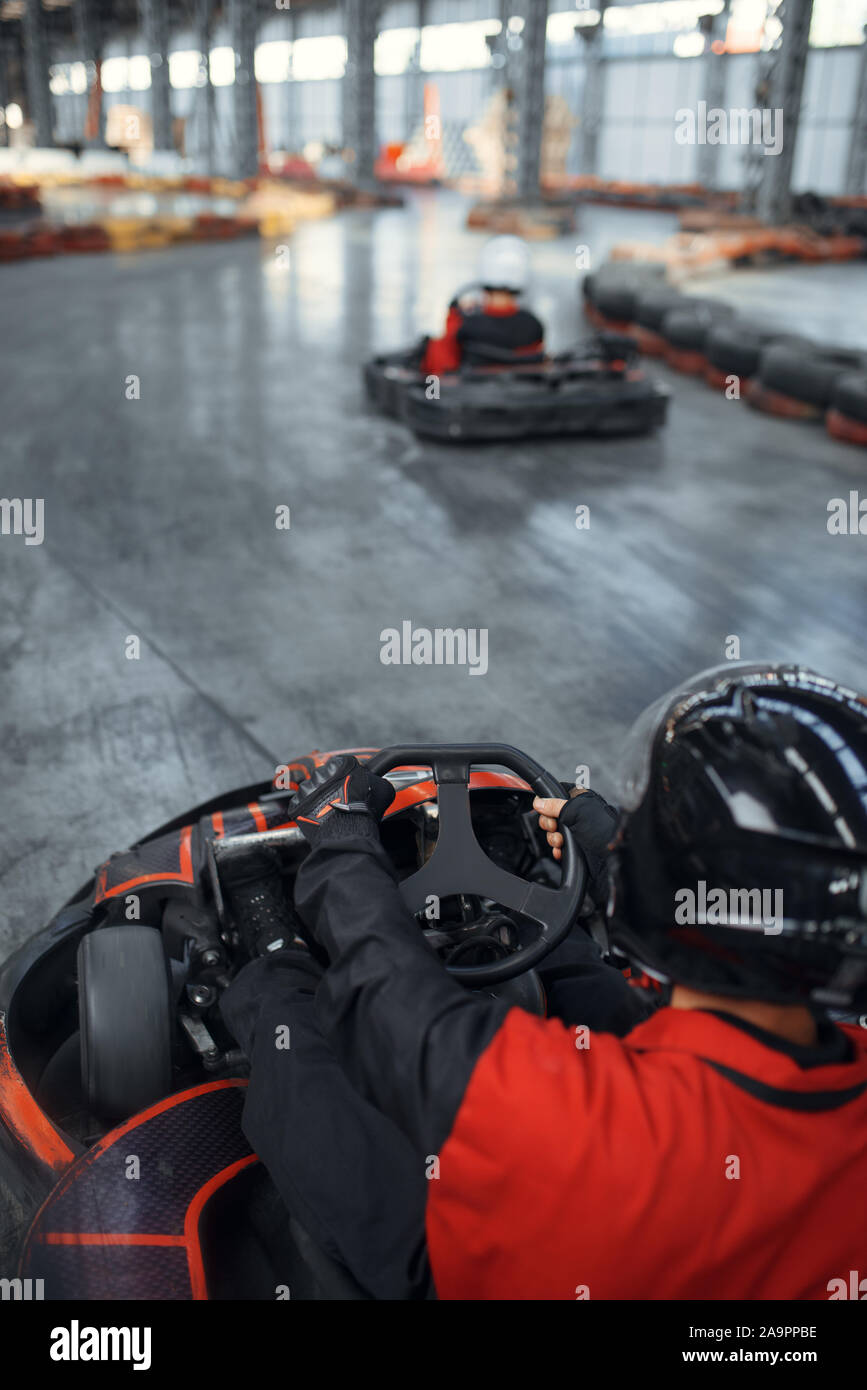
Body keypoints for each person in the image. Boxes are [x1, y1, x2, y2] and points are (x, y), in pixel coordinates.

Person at [222, 662, 867, 1300]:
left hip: (472, 1271)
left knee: (293, 1033)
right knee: (565, 958)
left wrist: (341, 851)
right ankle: (519, 922)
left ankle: (272, 950)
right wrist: (615, 860)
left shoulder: (575, 1124)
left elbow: (393, 1013)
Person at [420, 235, 544, 376]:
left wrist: (453, 318)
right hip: (521, 392)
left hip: (470, 393)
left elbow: (440, 366)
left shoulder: (465, 324)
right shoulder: (534, 325)